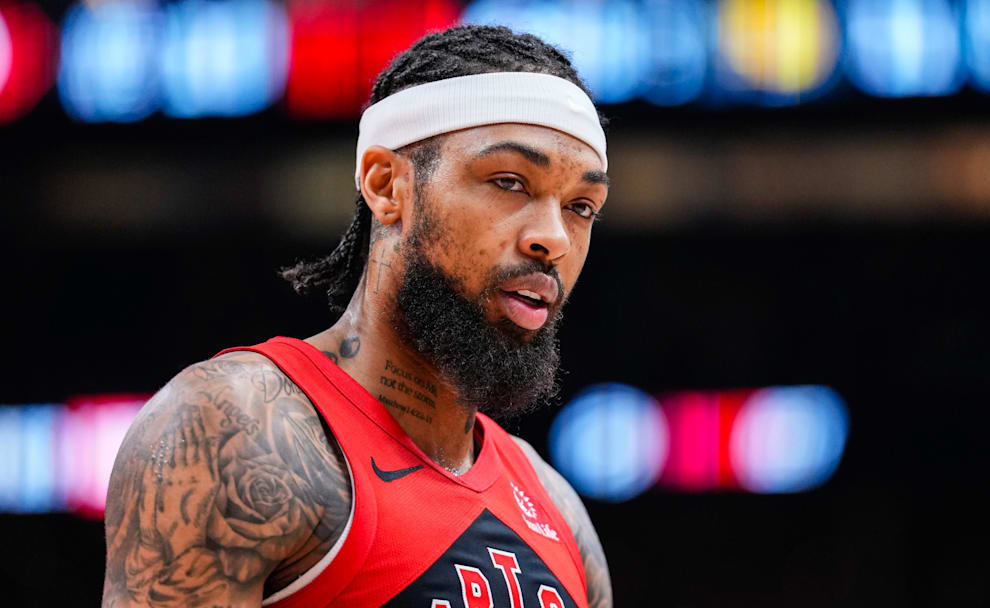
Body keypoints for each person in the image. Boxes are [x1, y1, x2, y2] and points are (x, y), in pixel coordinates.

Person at [101, 25, 612, 608]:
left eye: (580, 207)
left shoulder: (559, 511)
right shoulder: (237, 429)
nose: (554, 239)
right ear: (386, 184)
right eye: (508, 181)